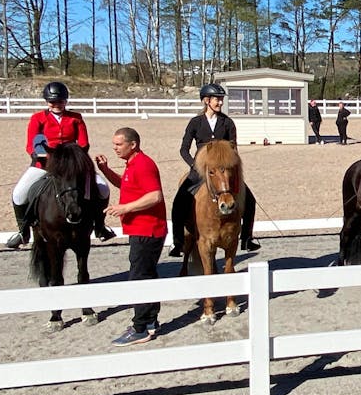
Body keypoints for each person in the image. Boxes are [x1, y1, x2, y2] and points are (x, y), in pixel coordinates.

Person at [5, 81, 116, 249]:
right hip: (45, 164)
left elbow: (84, 144)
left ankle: (100, 227)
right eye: (52, 102)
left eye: (60, 101)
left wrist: (70, 158)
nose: (56, 105)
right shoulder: (38, 119)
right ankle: (23, 231)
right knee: (19, 194)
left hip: (72, 165)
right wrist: (42, 155)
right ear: (47, 102)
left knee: (103, 188)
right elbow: (31, 145)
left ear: (66, 101)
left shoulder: (76, 118)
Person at [166, 83, 260, 258]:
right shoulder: (195, 122)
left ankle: (247, 238)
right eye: (217, 99)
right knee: (179, 200)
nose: (220, 103)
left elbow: (234, 149)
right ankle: (177, 241)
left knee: (250, 200)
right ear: (206, 101)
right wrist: (195, 165)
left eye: (221, 99)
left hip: (224, 170)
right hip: (200, 169)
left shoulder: (227, 123)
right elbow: (184, 149)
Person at [96, 127, 167, 346]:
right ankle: (150, 321)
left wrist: (126, 208)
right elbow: (125, 184)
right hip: (141, 229)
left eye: (118, 144)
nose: (114, 148)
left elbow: (155, 196)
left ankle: (140, 328)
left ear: (132, 144)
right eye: (114, 144)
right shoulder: (132, 164)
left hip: (147, 230)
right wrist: (105, 170)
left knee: (139, 278)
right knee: (146, 275)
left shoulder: (144, 164)